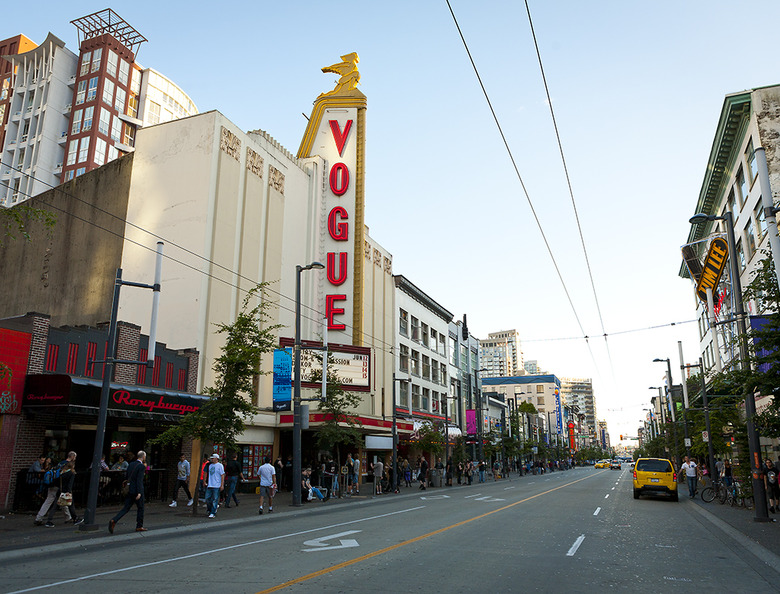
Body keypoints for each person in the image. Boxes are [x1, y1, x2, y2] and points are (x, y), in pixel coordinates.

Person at [109, 450, 147, 533]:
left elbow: (126, 476)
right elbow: (139, 480)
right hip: (137, 490)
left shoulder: (131, 464)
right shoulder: (141, 467)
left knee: (126, 508)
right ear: (143, 457)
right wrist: (140, 492)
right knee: (141, 508)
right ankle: (139, 526)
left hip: (129, 489)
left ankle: (114, 520)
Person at [34, 451, 76, 526]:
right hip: (58, 485)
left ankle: (39, 518)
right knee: (57, 501)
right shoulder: (68, 465)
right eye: (75, 457)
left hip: (51, 483)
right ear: (72, 457)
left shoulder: (60, 463)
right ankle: (41, 518)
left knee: (54, 501)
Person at [46, 461, 81, 526]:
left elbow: (57, 482)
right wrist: (68, 491)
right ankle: (75, 519)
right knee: (71, 505)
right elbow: (70, 484)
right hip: (66, 491)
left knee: (55, 506)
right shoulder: (71, 473)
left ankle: (49, 520)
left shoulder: (62, 473)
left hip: (60, 491)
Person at [204, 453, 225, 518]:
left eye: (213, 458)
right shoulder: (210, 466)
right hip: (210, 484)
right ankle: (210, 509)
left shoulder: (220, 466)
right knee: (207, 498)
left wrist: (221, 485)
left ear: (216, 459)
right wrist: (205, 481)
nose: (212, 459)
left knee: (215, 499)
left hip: (216, 485)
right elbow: (206, 473)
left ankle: (213, 512)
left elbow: (222, 475)